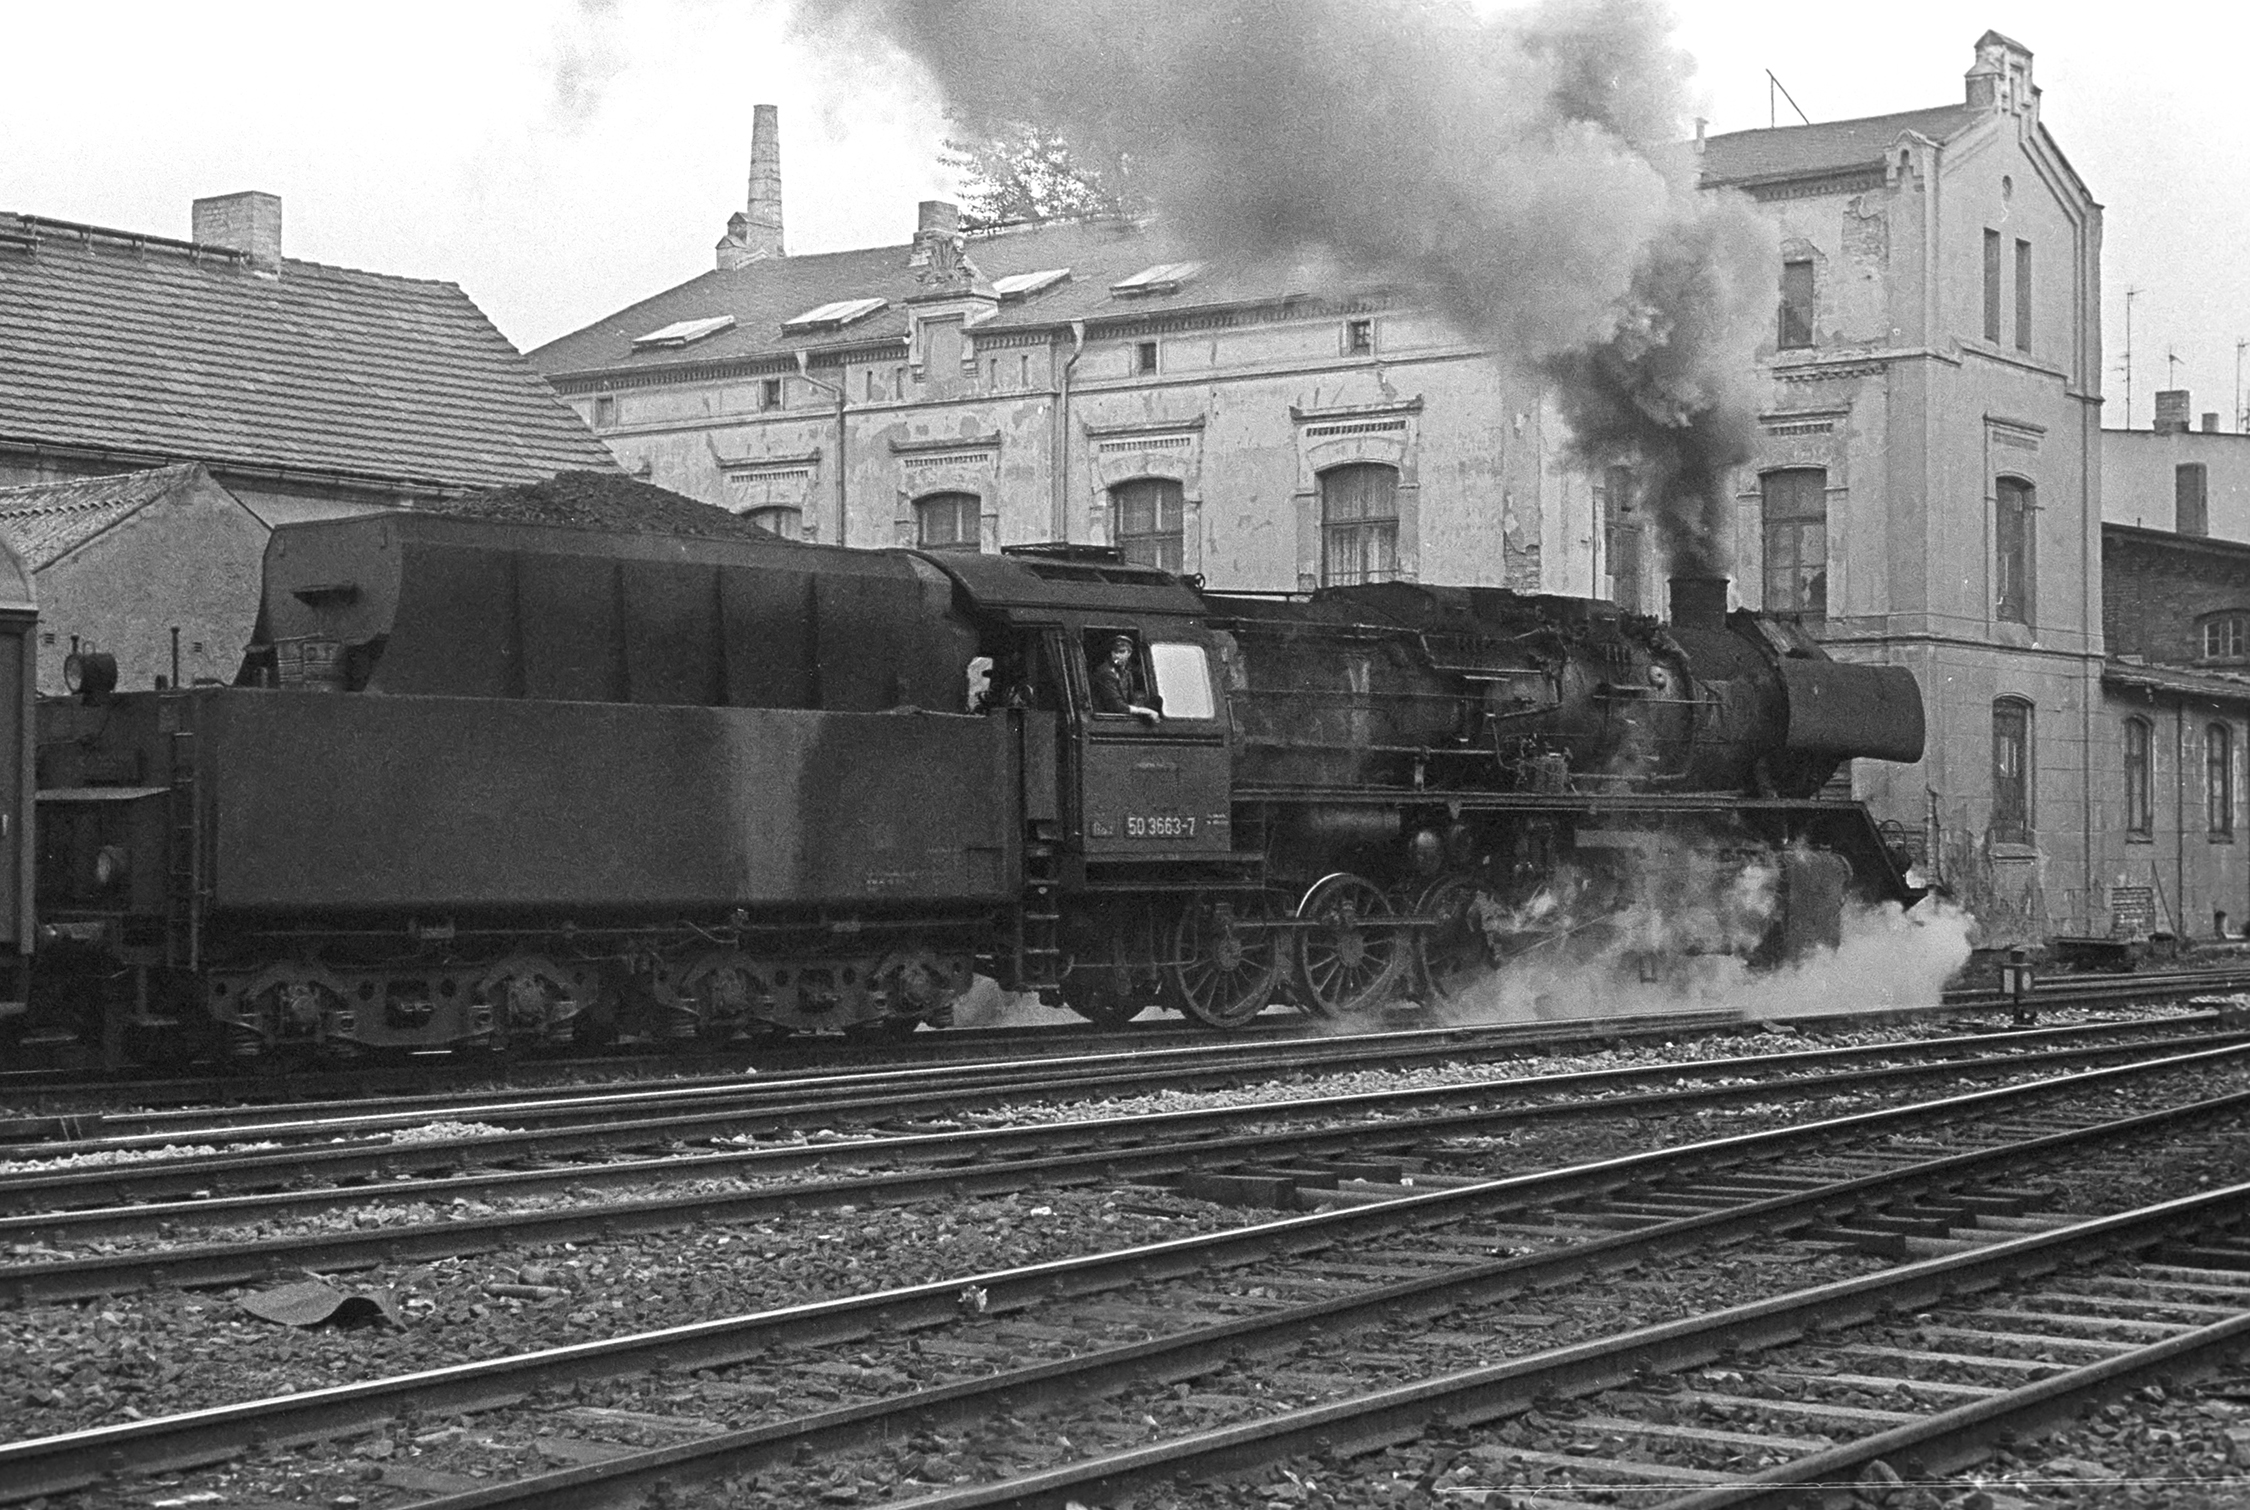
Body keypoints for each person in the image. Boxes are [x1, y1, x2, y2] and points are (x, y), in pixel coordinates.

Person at [1092, 635, 1162, 723]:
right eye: (1114, 652)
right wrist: (1142, 711)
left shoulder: (1127, 672)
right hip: (1106, 722)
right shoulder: (1106, 673)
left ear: (1129, 653)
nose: (1117, 655)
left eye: (1121, 652)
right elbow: (1116, 705)